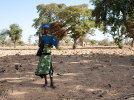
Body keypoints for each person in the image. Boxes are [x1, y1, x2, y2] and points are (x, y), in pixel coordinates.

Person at [35, 24, 58, 88]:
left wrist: (51, 44)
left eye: (47, 29)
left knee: (50, 69)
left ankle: (52, 83)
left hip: (48, 55)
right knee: (44, 69)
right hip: (43, 55)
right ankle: (46, 82)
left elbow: (53, 45)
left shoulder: (51, 37)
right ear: (43, 30)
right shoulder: (41, 36)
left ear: (48, 30)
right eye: (44, 29)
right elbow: (39, 45)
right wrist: (42, 42)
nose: (46, 30)